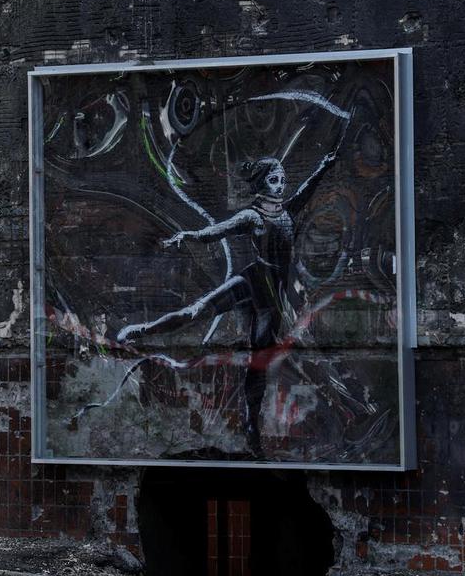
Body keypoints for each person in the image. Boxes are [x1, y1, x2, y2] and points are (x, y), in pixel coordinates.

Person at [113, 148, 340, 455]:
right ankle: (142, 331)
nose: (281, 185)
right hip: (252, 279)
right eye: (274, 180)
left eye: (282, 179)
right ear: (261, 185)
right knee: (197, 311)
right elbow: (217, 231)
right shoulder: (252, 215)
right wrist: (190, 236)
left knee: (258, 363)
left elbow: (306, 188)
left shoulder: (286, 212)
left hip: (271, 298)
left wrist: (324, 164)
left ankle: (251, 426)